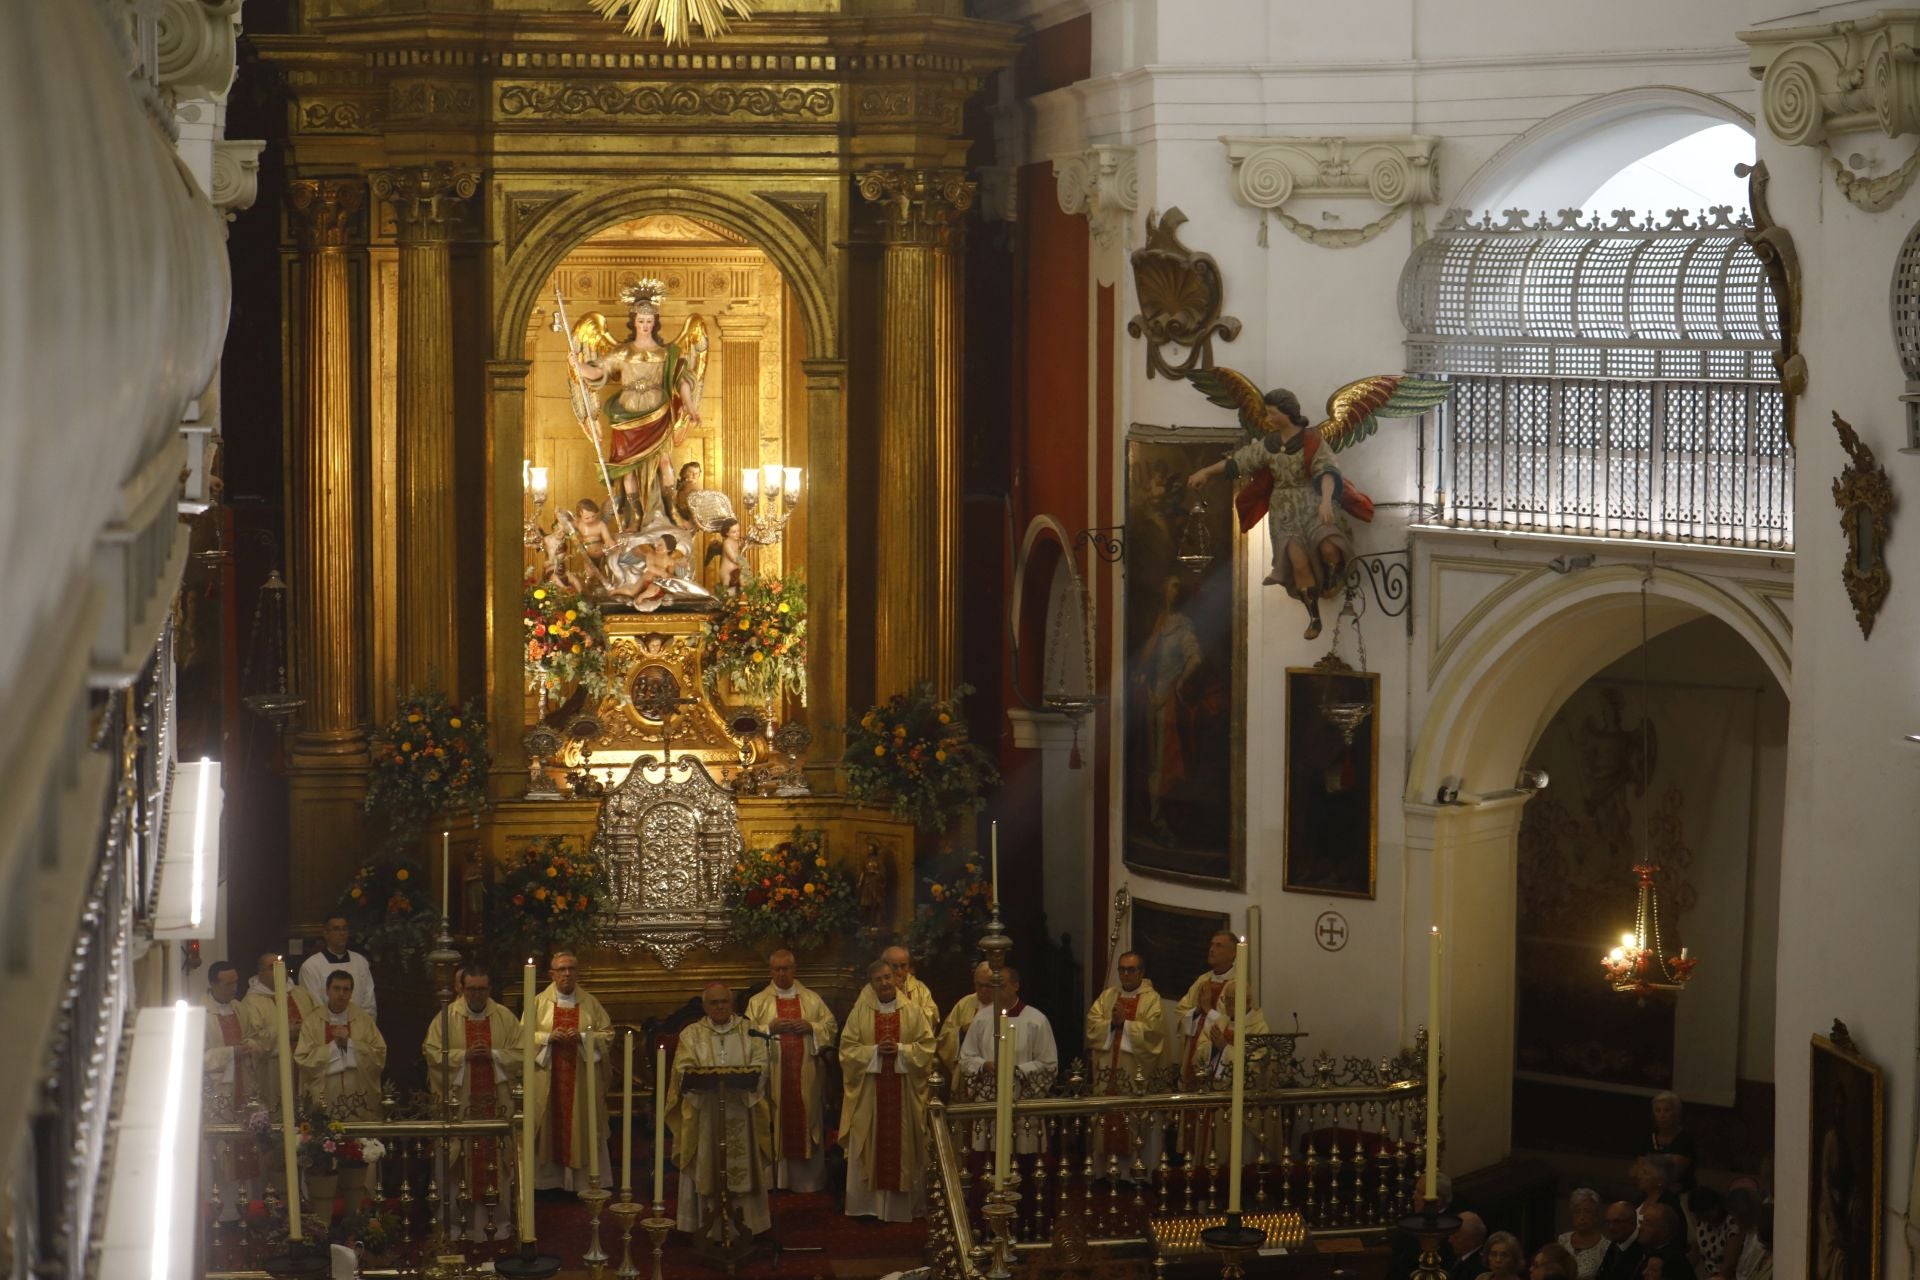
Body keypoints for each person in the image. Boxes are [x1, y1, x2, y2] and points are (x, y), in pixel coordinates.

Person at [1186, 386, 1362, 640]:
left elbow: (1326, 472)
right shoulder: (1268, 445)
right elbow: (1238, 462)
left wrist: (1325, 502)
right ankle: (1314, 617)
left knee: (1330, 547)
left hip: (1312, 502)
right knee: (1299, 564)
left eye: (1271, 413)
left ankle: (1333, 577)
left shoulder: (1312, 441)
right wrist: (1206, 471)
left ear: (1287, 413)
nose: (1267, 419)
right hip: (1283, 510)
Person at [571, 279, 705, 528]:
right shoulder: (623, 352)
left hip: (657, 412)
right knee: (627, 469)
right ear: (633, 322)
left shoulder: (667, 353)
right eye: (641, 321)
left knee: (664, 462)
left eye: (649, 322)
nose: (645, 326)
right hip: (627, 414)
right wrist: (577, 364)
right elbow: (597, 372)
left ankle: (673, 511)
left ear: (655, 323)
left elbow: (682, 382)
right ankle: (637, 516)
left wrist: (691, 406)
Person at [421, 964, 521, 1240]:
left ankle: (498, 1224)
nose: (477, 994)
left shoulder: (504, 1017)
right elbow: (431, 1053)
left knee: (496, 1163)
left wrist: (495, 1055)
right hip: (461, 1107)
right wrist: (463, 1056)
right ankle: (456, 1224)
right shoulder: (445, 1017)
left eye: (482, 989)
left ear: (490, 989)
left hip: (495, 1107)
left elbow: (523, 1052)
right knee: (458, 1163)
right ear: (461, 989)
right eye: (472, 989)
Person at [669, 982, 773, 1239]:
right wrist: (703, 1080)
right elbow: (682, 1069)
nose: (719, 1007)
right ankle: (708, 1227)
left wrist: (748, 1078)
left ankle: (747, 1224)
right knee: (707, 1165)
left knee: (744, 1164)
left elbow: (762, 1063)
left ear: (732, 1003)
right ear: (705, 1007)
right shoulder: (691, 1034)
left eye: (724, 1001)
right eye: (714, 1003)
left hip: (742, 1112)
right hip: (706, 1114)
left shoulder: (750, 1031)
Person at [839, 960, 935, 1222]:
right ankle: (869, 1206)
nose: (884, 983)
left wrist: (902, 1050)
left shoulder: (914, 1011)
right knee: (871, 1142)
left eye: (887, 977)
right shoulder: (860, 1013)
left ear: (897, 978)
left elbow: (927, 1047)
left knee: (903, 1145)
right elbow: (846, 1052)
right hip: (871, 1094)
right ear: (871, 983)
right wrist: (874, 1052)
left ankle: (905, 1208)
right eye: (878, 979)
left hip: (903, 1094)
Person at [745, 949, 838, 1192]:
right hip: (773, 1077)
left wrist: (811, 1027)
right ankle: (774, 1180)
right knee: (774, 1120)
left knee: (805, 1118)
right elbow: (745, 1035)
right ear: (770, 971)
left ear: (794, 970)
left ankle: (806, 1182)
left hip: (805, 1075)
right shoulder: (758, 1002)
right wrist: (768, 1028)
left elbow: (830, 1027)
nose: (781, 973)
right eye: (777, 969)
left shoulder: (812, 999)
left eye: (786, 968)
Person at [530, 951, 613, 1192]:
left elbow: (608, 1035)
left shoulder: (590, 1003)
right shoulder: (537, 1003)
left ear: (578, 972)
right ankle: (548, 1182)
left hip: (582, 1082)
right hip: (549, 1082)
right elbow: (521, 1038)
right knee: (549, 1128)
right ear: (551, 974)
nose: (567, 974)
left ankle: (583, 1182)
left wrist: (585, 1037)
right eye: (561, 969)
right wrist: (546, 1037)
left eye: (571, 969)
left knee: (582, 1125)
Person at [958, 966, 1058, 1156]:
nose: (995, 991)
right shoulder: (981, 1019)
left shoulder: (1036, 1020)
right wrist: (984, 1065)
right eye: (993, 986)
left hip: (1022, 1108)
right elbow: (966, 1058)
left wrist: (1017, 1070)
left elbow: (1049, 1064)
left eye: (1001, 986)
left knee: (1024, 1163)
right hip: (990, 1105)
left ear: (1016, 986)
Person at [1085, 951, 1167, 1173]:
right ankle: (1104, 1171)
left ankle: (1133, 1174)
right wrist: (1112, 1024)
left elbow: (1154, 1034)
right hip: (1108, 1074)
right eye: (1121, 969)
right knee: (1106, 1116)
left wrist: (1126, 1025)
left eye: (1131, 969)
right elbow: (1092, 1027)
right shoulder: (1107, 996)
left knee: (1132, 1118)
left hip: (1134, 1073)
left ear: (1141, 972)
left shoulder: (1152, 1000)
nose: (1125, 974)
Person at [1136, 576, 1204, 839]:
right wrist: (1143, 679)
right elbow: (1147, 662)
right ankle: (1156, 821)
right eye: (1169, 584)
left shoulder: (1184, 626)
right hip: (1151, 700)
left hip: (1169, 704)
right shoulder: (1160, 624)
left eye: (1177, 585)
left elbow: (1196, 658)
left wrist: (1179, 683)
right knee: (1152, 764)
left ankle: (1163, 822)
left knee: (1165, 767)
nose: (1172, 589)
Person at [203, 961, 262, 1219]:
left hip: (245, 1086)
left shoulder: (240, 1009)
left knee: (246, 1146)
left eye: (236, 982)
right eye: (228, 983)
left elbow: (257, 1038)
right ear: (213, 984)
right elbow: (196, 1056)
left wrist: (251, 1046)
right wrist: (231, 1053)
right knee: (221, 1150)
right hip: (218, 1092)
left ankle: (246, 1208)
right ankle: (223, 1212)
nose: (234, 988)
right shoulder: (201, 1014)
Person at [295, 970, 387, 1119]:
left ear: (351, 993)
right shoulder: (312, 1021)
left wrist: (350, 1044)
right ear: (327, 991)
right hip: (326, 1095)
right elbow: (302, 1058)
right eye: (336, 988)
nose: (341, 993)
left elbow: (379, 1055)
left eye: (346, 989)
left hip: (357, 1093)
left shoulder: (363, 1019)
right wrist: (333, 1047)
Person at [1174, 931, 1238, 1072]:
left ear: (1232, 953)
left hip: (1218, 1056)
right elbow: (1181, 1010)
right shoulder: (1203, 980)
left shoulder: (1238, 985)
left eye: (1219, 946)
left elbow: (1235, 1025)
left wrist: (1208, 1009)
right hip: (1193, 1048)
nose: (1211, 949)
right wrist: (1197, 1010)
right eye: (1211, 945)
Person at [299, 916, 377, 1023]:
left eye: (344, 929)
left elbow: (369, 1001)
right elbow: (314, 1005)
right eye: (336, 929)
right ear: (326, 934)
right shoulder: (311, 966)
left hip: (359, 1028)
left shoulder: (360, 962)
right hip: (326, 1030)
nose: (342, 933)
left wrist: (362, 1027)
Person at [849, 943, 939, 1029]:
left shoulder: (919, 988)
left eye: (903, 966)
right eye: (894, 966)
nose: (899, 971)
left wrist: (900, 997)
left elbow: (933, 1017)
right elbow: (858, 1020)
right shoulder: (871, 989)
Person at [1386, 1174, 1456, 1280]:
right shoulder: (1417, 1219)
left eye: (1419, 1193)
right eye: (1415, 1191)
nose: (1414, 1197)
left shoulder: (1449, 1228)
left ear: (1437, 1200)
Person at [937, 963, 996, 1084]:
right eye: (980, 985)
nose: (983, 990)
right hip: (967, 1073)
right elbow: (944, 1038)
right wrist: (961, 1032)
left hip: (996, 1071)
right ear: (974, 983)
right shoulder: (965, 1004)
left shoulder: (1004, 1005)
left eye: (988, 986)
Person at [1640, 1091, 1697, 1192]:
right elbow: (1637, 1171)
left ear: (1676, 1113)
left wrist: (1650, 1172)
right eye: (1658, 1111)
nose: (1662, 1115)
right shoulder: (1648, 1137)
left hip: (1680, 1194)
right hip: (1650, 1192)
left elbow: (1673, 1173)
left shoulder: (1685, 1139)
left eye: (1667, 1110)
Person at [1560, 1187, 1611, 1280]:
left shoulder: (1605, 1247)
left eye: (1587, 1212)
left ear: (1596, 1215)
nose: (1582, 1217)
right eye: (1577, 1212)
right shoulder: (1563, 1240)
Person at [1596, 1200, 1640, 1280]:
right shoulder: (1615, 1244)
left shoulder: (1643, 1248)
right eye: (1608, 1222)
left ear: (1632, 1222)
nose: (1611, 1227)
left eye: (1617, 1221)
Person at [1448, 1212, 1488, 1280]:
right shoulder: (1457, 1259)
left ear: (1472, 1240)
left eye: (1456, 1237)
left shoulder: (1477, 1268)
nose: (1450, 1240)